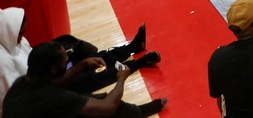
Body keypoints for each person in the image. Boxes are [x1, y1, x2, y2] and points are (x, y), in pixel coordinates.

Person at [1, 7, 157, 102]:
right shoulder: (4, 65)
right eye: (20, 33)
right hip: (48, 92)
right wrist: (81, 66)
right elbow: (37, 91)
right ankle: (140, 62)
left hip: (51, 74)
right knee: (93, 76)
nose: (22, 37)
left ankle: (133, 46)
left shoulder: (11, 37)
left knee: (99, 57)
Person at [2, 42, 166, 118]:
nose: (68, 59)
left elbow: (54, 83)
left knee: (95, 98)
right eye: (64, 59)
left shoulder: (23, 83)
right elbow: (107, 107)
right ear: (53, 69)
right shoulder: (53, 98)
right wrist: (122, 78)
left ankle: (137, 111)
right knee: (106, 105)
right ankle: (140, 113)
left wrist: (81, 66)